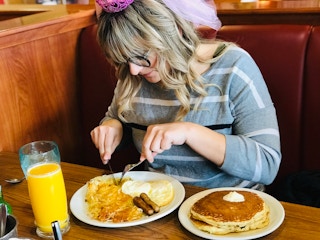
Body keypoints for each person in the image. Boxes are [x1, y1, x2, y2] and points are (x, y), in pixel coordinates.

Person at [90, 0, 281, 189]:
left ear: (175, 31)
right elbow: (117, 119)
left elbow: (267, 165)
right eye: (124, 59)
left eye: (141, 55)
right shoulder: (131, 74)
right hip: (159, 204)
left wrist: (189, 132)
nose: (134, 69)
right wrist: (113, 127)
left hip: (232, 207)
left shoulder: (234, 66)